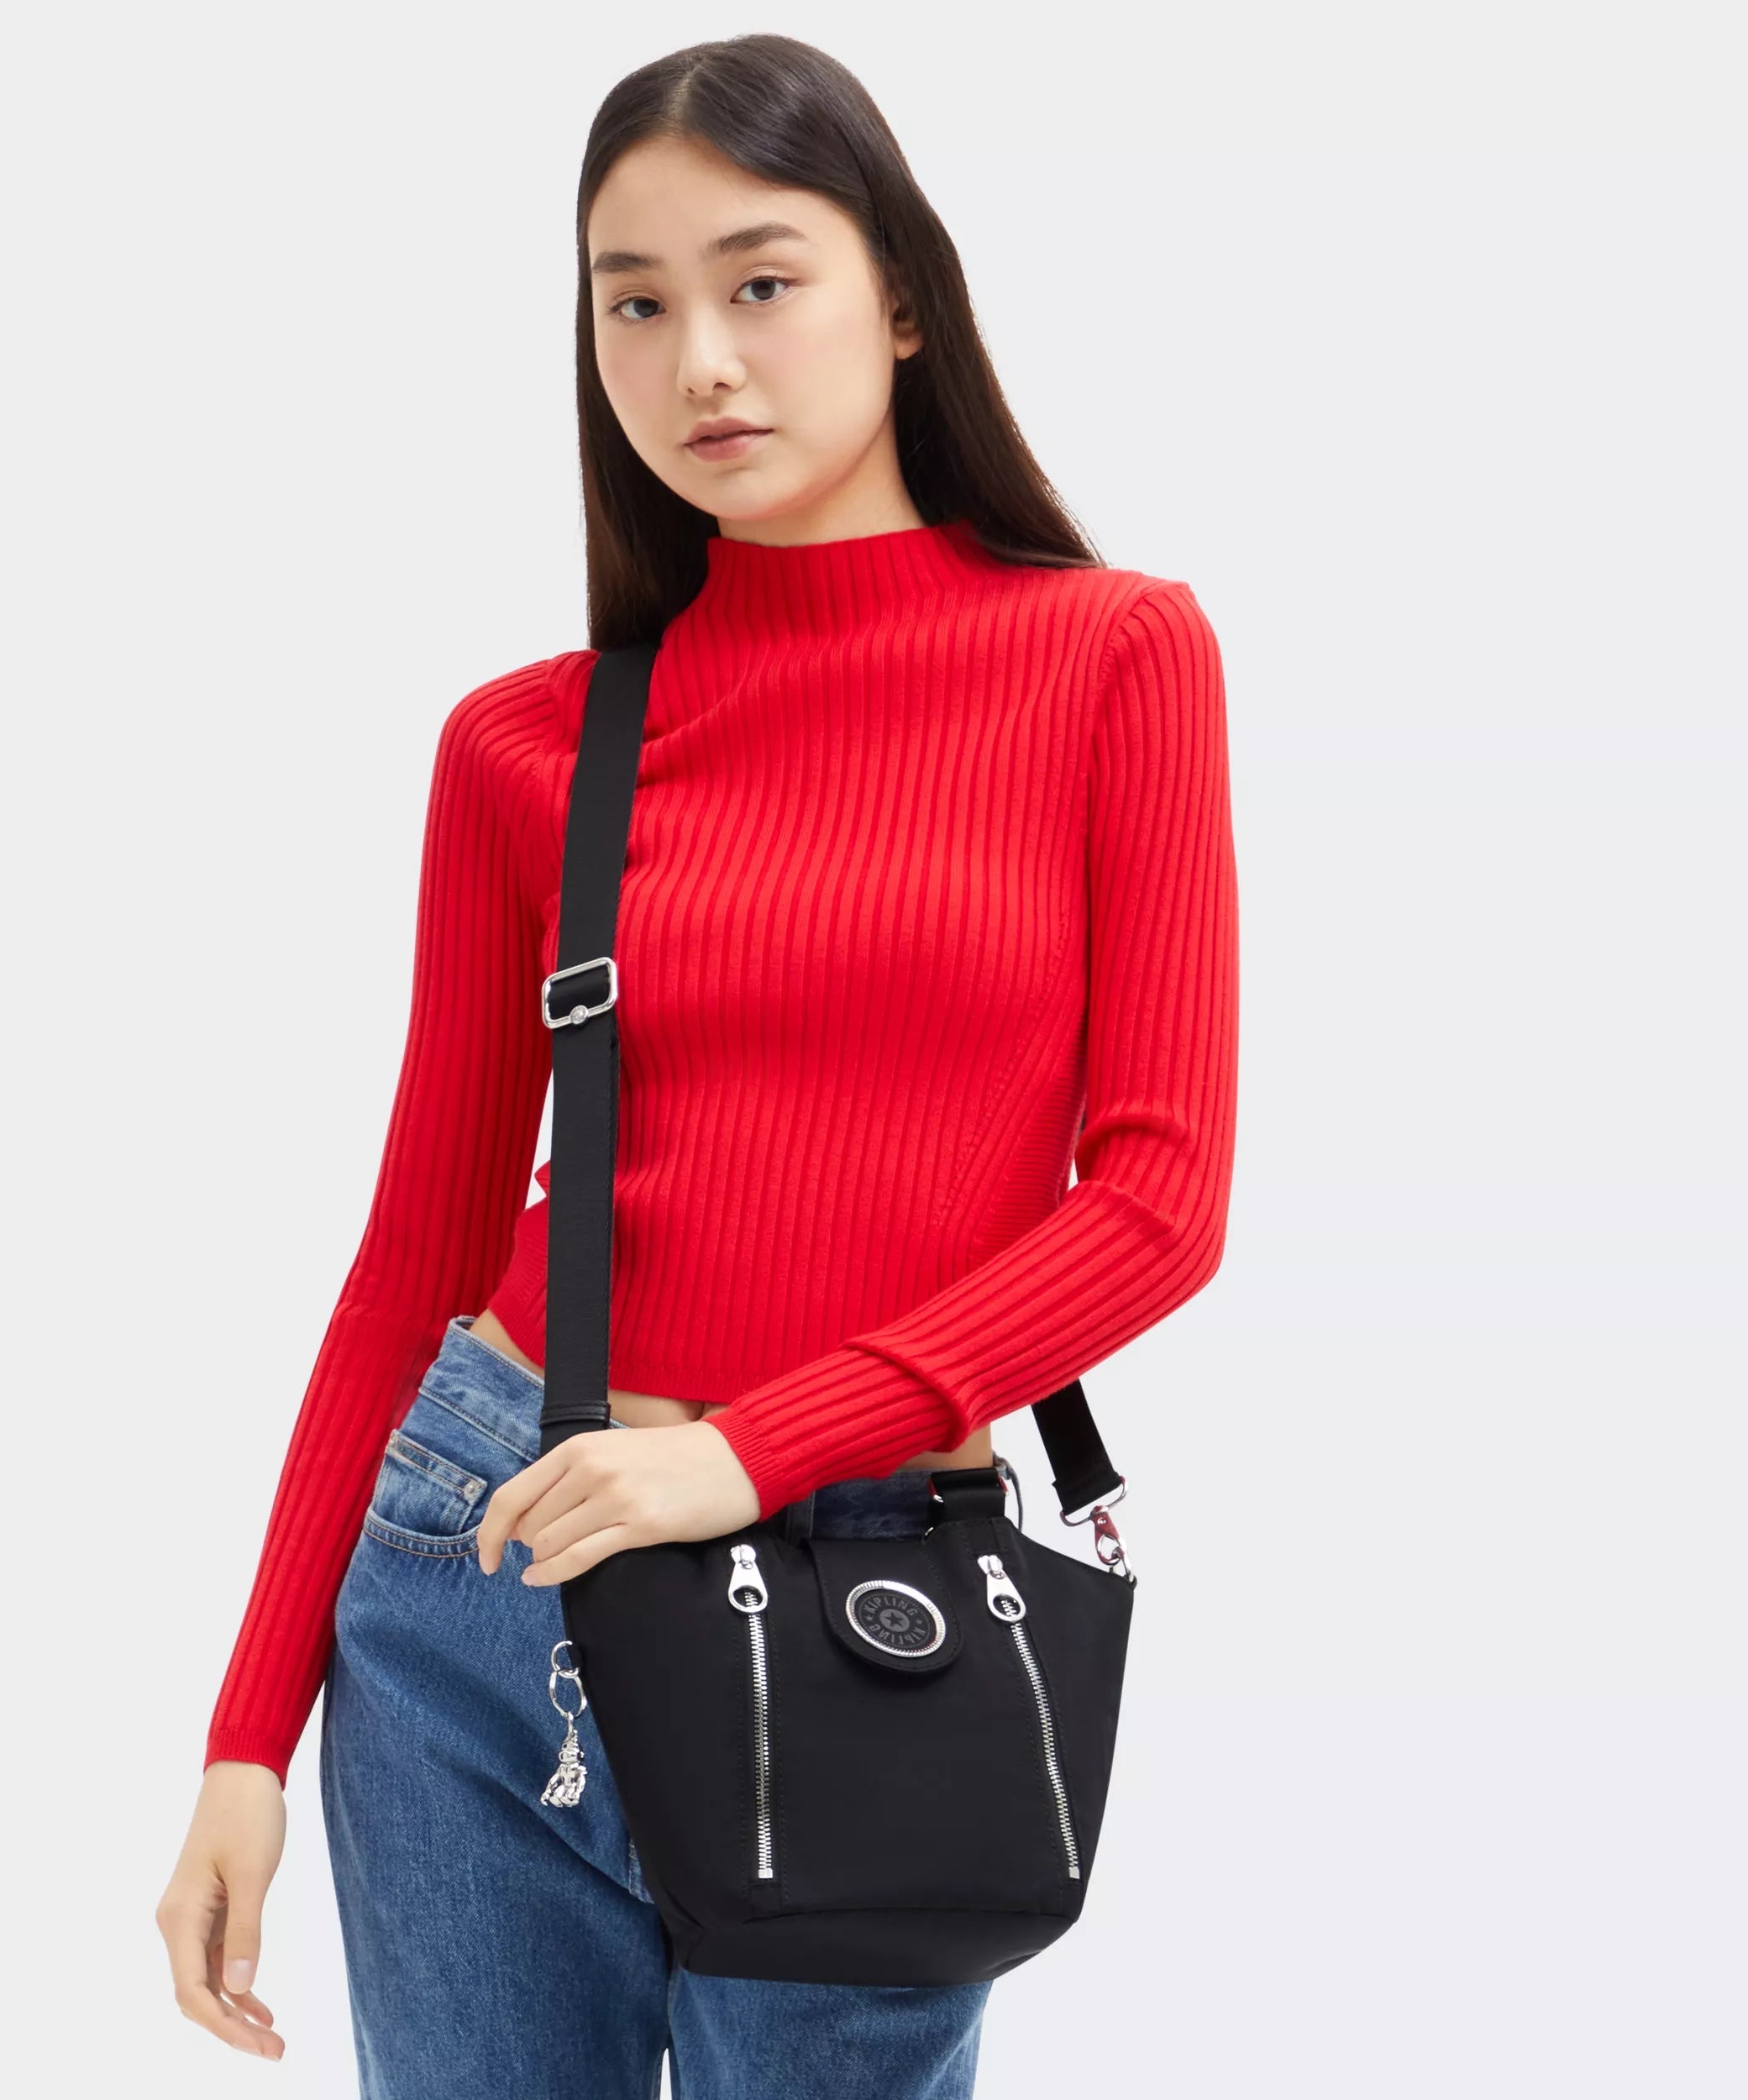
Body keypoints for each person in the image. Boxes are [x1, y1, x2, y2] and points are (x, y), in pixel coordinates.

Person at [156, 31, 1237, 2095]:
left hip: (870, 1600)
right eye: (632, 304)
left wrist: (750, 1450)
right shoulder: (526, 744)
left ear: (899, 297)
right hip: (480, 1570)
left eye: (760, 281)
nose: (699, 363)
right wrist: (244, 1735)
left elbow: (1158, 1199)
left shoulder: (1110, 658)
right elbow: (411, 1265)